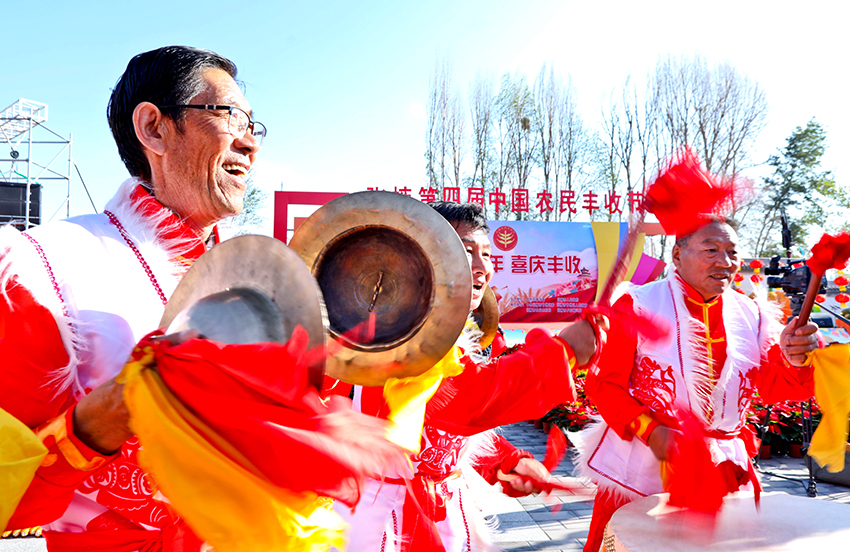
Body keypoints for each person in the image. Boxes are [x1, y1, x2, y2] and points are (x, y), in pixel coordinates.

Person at [0, 46, 263, 549]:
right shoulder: (42, 269)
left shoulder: (259, 283)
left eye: (257, 126)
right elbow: (7, 497)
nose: (251, 145)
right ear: (154, 128)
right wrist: (93, 427)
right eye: (232, 116)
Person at [327, 201, 600, 552]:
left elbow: (443, 434)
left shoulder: (454, 332)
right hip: (386, 515)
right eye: (465, 251)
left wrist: (506, 461)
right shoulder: (401, 333)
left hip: (448, 508)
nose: (480, 266)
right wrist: (563, 352)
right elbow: (467, 403)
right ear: (424, 258)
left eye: (486, 254)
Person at [577, 216, 821, 552]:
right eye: (711, 250)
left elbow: (772, 386)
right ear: (677, 256)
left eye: (732, 252)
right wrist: (652, 431)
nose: (725, 262)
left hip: (721, 470)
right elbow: (604, 385)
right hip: (642, 465)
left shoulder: (750, 313)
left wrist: (795, 358)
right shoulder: (638, 303)